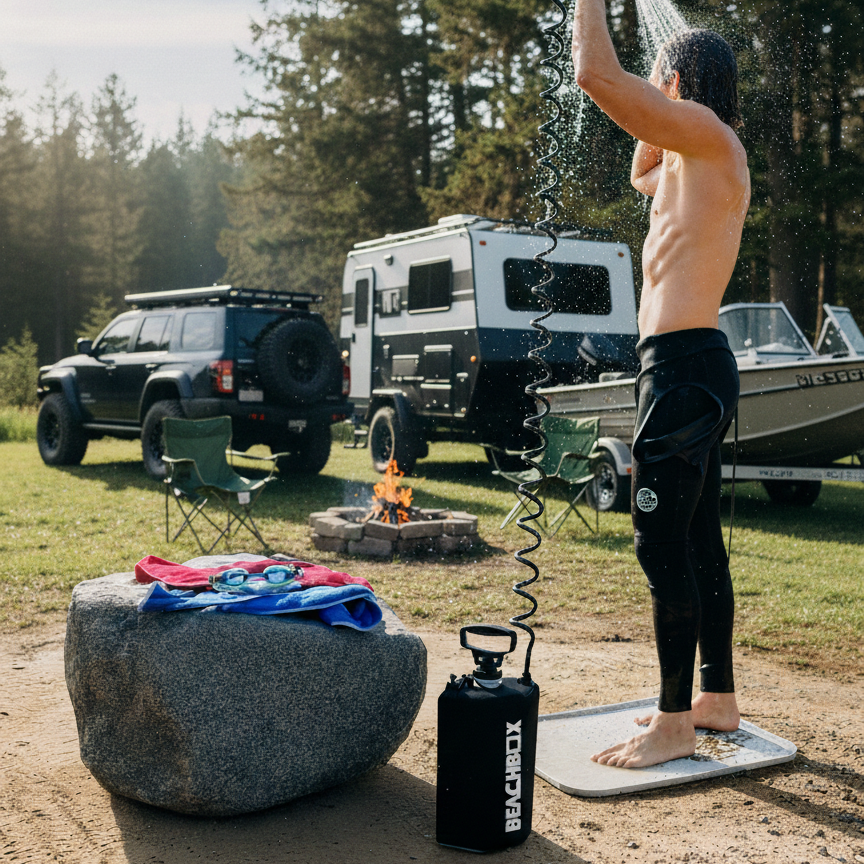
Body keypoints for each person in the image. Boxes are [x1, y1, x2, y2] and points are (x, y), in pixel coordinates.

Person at [572, 2, 751, 768]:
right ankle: (715, 698)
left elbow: (593, 76)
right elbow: (640, 165)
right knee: (698, 538)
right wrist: (659, 93)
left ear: (679, 82)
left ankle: (674, 723)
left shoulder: (710, 139)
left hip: (684, 370)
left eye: (662, 80)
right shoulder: (687, 156)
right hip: (682, 367)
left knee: (657, 541)